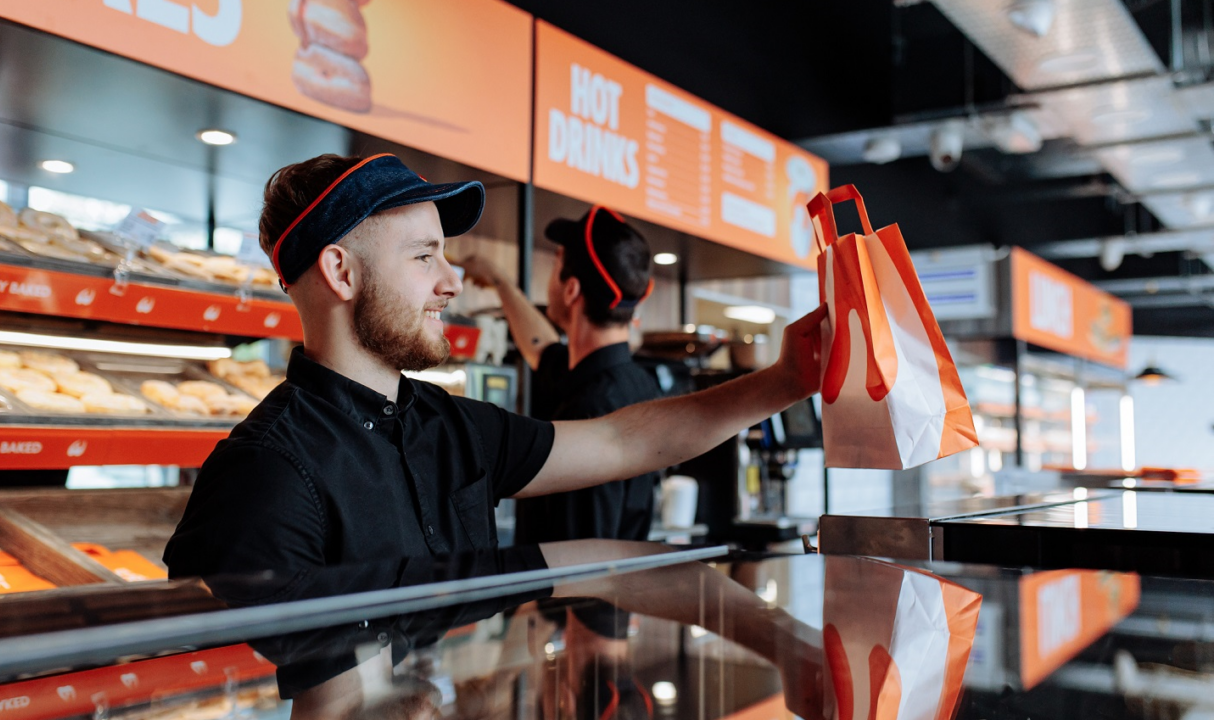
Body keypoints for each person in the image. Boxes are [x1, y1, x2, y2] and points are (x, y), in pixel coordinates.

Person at [163, 152, 825, 582]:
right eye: (425, 257)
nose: (451, 283)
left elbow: (627, 438)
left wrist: (786, 380)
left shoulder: (454, 427)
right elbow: (230, 689)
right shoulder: (264, 474)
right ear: (340, 271)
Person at [458, 207, 660, 546]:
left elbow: (580, 561)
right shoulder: (633, 383)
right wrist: (498, 280)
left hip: (573, 598)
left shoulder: (589, 408)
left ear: (571, 290)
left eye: (555, 265)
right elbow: (541, 348)